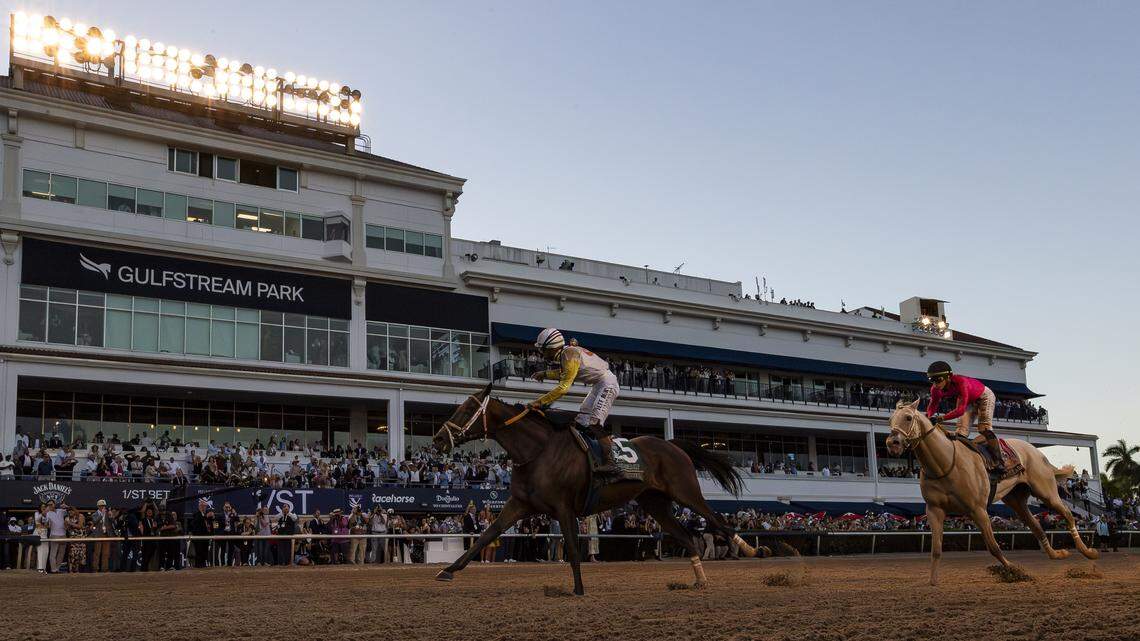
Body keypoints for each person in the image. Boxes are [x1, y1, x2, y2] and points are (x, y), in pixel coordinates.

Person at [529, 328, 620, 474]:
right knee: (581, 421)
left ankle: (611, 462)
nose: (542, 353)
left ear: (552, 347)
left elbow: (563, 388)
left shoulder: (568, 353)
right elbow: (566, 373)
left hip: (607, 383)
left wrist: (539, 402)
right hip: (599, 384)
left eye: (543, 350)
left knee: (594, 423)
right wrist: (544, 374)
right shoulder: (566, 352)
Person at [925, 360, 1004, 475]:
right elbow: (933, 405)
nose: (936, 384)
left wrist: (940, 419)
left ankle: (999, 461)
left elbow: (960, 411)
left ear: (948, 377)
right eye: (932, 380)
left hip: (984, 396)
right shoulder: (935, 389)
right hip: (967, 400)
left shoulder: (961, 382)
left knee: (984, 429)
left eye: (938, 380)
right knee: (960, 433)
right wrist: (927, 417)